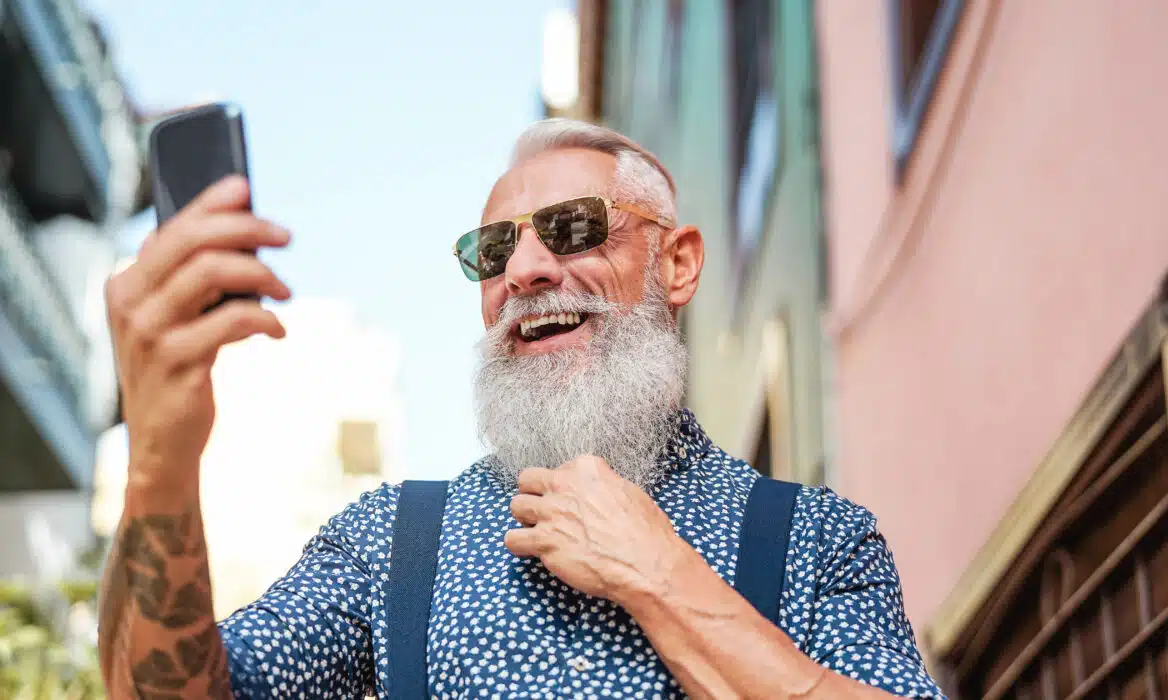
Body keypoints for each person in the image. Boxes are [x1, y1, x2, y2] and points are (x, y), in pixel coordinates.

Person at [97, 119, 945, 699]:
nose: (528, 270)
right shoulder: (392, 542)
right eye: (495, 248)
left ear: (678, 264)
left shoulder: (820, 541)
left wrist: (658, 578)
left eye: (575, 228)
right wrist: (159, 460)